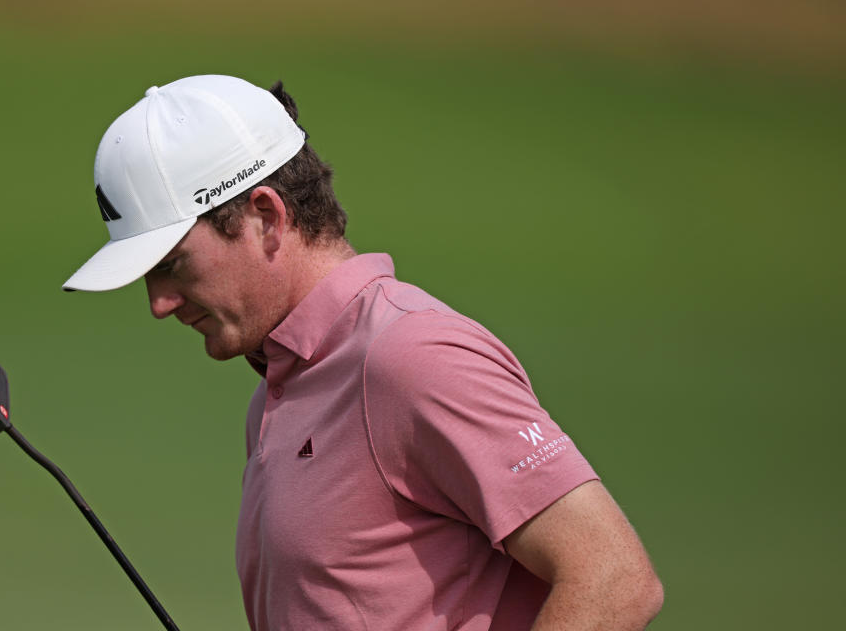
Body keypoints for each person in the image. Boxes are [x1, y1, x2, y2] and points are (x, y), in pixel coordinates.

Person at [63, 75, 664, 630]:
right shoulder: (280, 390)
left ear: (266, 217)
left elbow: (614, 580)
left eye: (171, 266)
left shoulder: (412, 356)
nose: (159, 303)